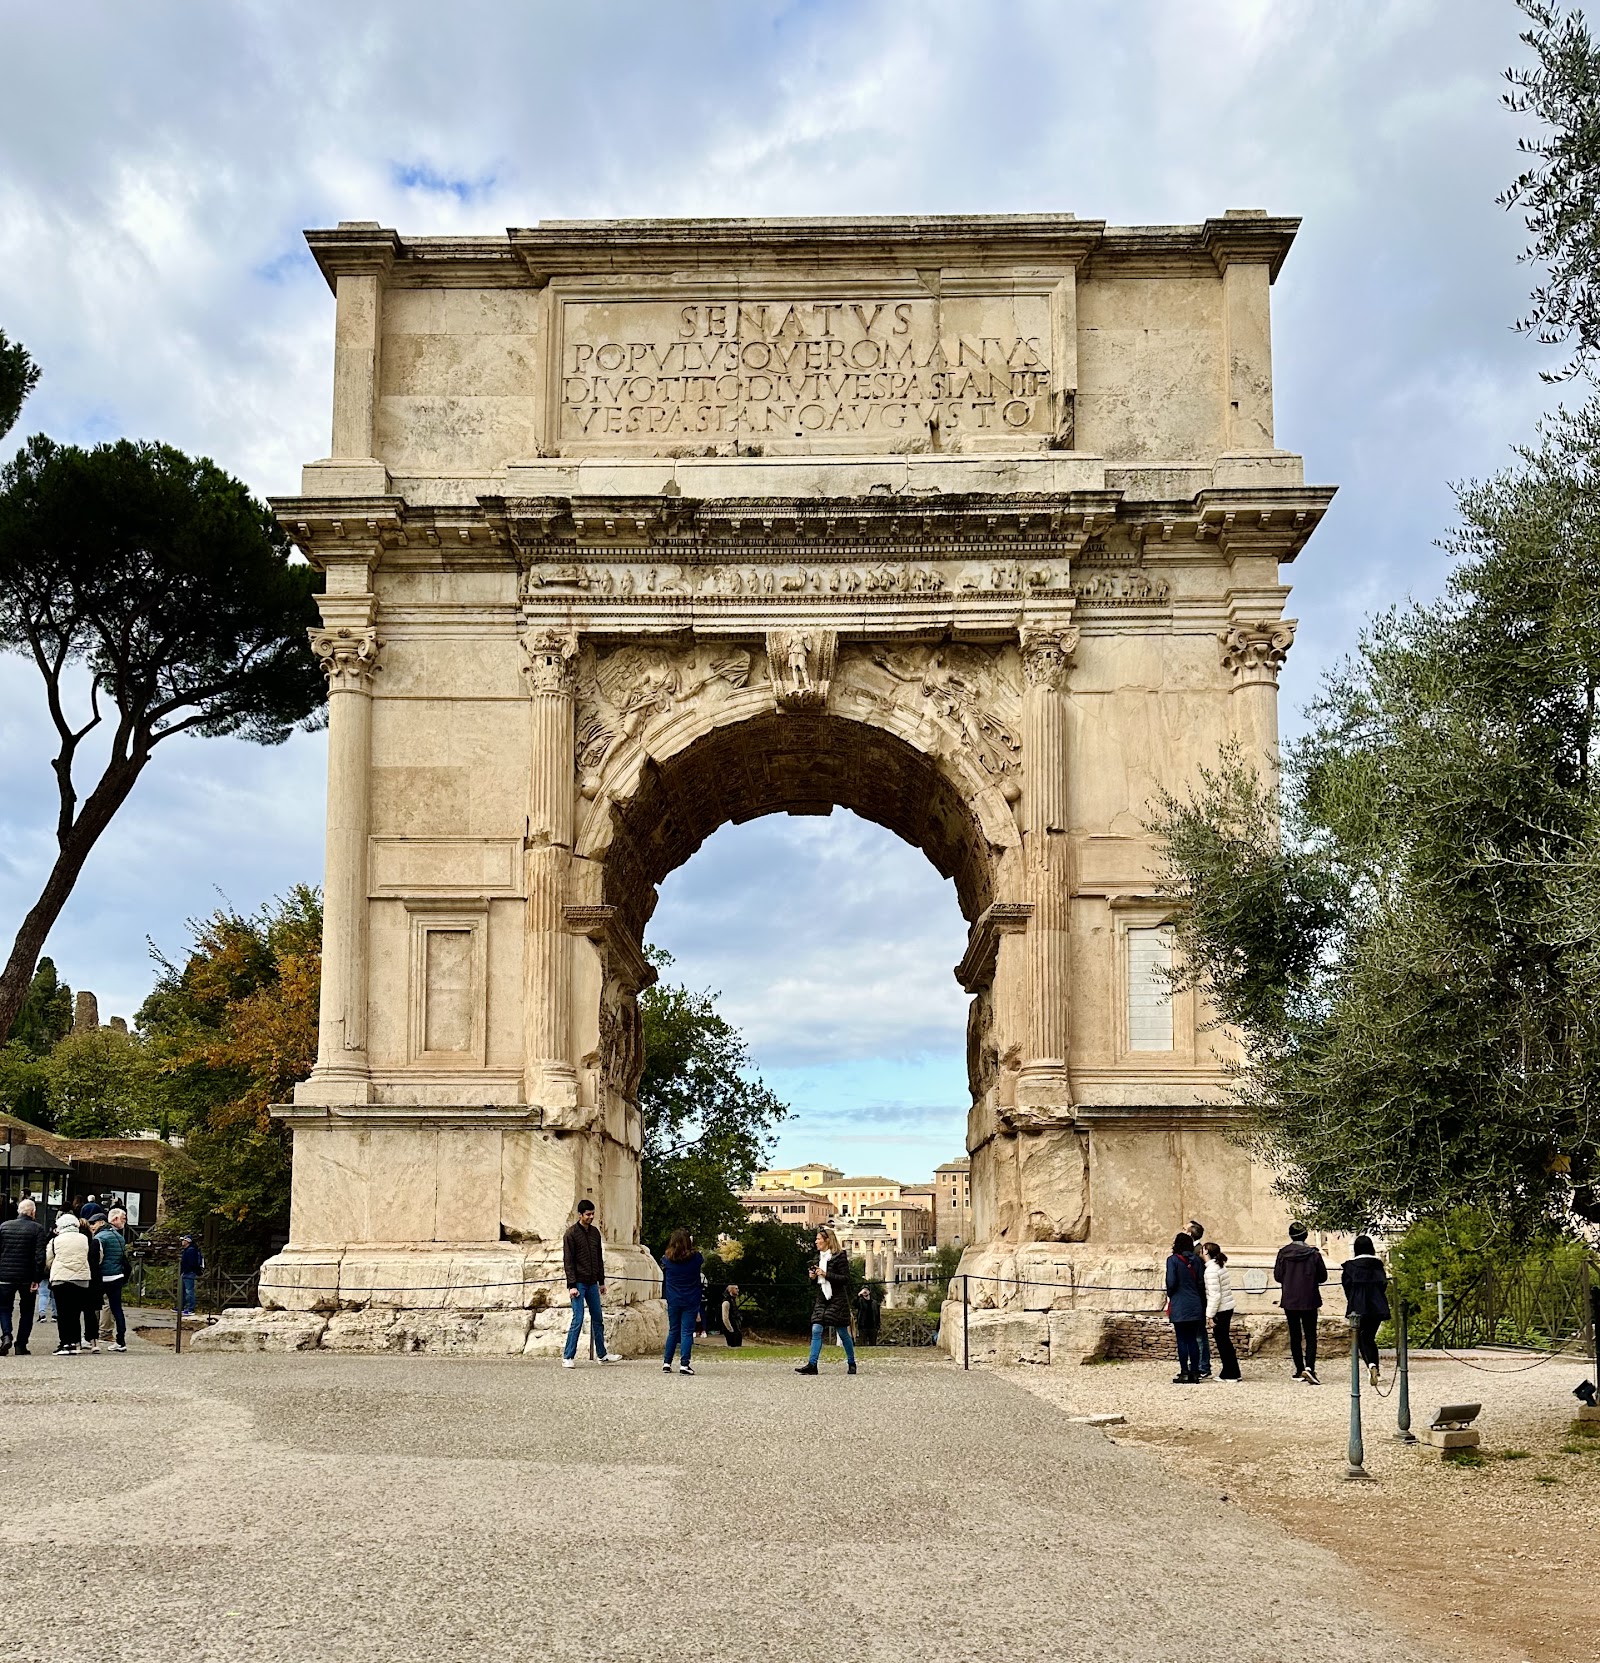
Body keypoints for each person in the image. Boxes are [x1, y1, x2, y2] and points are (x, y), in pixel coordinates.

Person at [561, 1200, 620, 1368]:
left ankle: (602, 1355)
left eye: (592, 1213)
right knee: (577, 1319)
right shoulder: (570, 1234)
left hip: (593, 1282)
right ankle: (568, 1356)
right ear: (580, 1215)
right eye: (588, 1214)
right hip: (578, 1283)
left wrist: (601, 1281)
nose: (591, 1217)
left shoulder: (595, 1233)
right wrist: (571, 1285)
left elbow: (598, 1258)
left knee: (598, 1319)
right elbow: (568, 1262)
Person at [795, 1228, 856, 1376]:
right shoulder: (818, 1258)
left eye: (818, 1239)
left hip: (837, 1298)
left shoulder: (840, 1256)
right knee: (816, 1329)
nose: (816, 1242)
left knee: (842, 1332)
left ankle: (851, 1362)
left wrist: (826, 1274)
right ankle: (812, 1364)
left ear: (827, 1240)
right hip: (822, 1297)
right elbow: (817, 1282)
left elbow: (845, 1279)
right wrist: (813, 1277)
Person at [1273, 1221, 1328, 1385]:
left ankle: (1298, 1369)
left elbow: (1277, 1276)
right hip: (1309, 1297)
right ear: (1306, 1235)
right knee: (1311, 1335)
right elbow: (1323, 1276)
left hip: (1290, 1299)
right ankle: (1310, 1367)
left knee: (1295, 1335)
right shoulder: (1313, 1254)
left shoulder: (1283, 1254)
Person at [0, 1198, 48, 1357]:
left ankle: (6, 1334)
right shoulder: (37, 1229)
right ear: (33, 1212)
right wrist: (37, 1278)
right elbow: (40, 1256)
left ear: (18, 1211)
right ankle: (21, 1344)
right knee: (26, 1311)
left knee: (4, 1307)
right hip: (27, 1277)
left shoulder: (4, 1227)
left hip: (5, 1275)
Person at [1341, 1234, 1391, 1386]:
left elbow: (1346, 1286)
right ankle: (1375, 1367)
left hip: (1358, 1305)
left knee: (1362, 1338)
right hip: (1376, 1305)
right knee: (1369, 1337)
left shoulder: (1350, 1267)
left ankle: (1371, 1365)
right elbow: (1383, 1284)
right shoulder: (1377, 1265)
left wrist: (1352, 1299)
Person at [45, 1212, 98, 1356]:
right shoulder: (84, 1239)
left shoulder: (56, 1241)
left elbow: (49, 1259)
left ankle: (65, 1343)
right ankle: (75, 1342)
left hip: (61, 1278)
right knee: (75, 1313)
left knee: (63, 1313)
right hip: (81, 1279)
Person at [660, 1228, 703, 1375]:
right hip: (691, 1298)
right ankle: (684, 1364)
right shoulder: (696, 1258)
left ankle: (667, 1362)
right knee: (686, 1332)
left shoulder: (667, 1259)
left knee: (673, 1331)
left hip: (674, 1298)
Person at [1165, 1231, 1207, 1383]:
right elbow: (1201, 1283)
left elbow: (1171, 1282)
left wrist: (1171, 1294)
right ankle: (1195, 1372)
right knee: (1193, 1340)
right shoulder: (1196, 1260)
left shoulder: (1173, 1260)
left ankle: (1184, 1371)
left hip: (1180, 1302)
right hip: (1195, 1302)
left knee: (1182, 1340)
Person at [1203, 1240, 1241, 1381]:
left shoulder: (1211, 1270)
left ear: (1206, 1251)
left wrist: (1210, 1315)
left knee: (1223, 1342)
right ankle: (1232, 1371)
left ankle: (1230, 1373)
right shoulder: (1219, 1266)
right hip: (1226, 1307)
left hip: (1221, 1309)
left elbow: (1215, 1294)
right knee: (1224, 1341)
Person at [95, 1211, 129, 1352]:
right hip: (117, 1276)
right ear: (115, 1219)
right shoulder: (120, 1238)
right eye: (123, 1219)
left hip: (102, 1276)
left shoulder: (100, 1237)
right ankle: (120, 1340)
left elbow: (98, 1257)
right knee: (117, 1309)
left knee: (93, 1307)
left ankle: (90, 1338)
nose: (125, 1221)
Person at [1186, 1220, 1211, 1377]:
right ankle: (1198, 1364)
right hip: (1195, 1297)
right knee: (1196, 1334)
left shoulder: (1197, 1252)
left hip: (1197, 1297)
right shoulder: (1195, 1250)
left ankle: (1203, 1366)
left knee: (1199, 1334)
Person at [179, 1234, 203, 1316]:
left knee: (189, 1291)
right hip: (186, 1272)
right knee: (184, 1291)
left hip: (189, 1273)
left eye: (183, 1240)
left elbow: (191, 1263)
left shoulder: (191, 1250)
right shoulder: (187, 1250)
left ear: (187, 1241)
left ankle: (190, 1308)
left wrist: (186, 1270)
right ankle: (182, 1307)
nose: (182, 1242)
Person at [720, 1282, 744, 1348]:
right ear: (731, 1290)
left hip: (735, 1326)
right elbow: (725, 1317)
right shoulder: (726, 1302)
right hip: (730, 1327)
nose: (738, 1290)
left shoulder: (733, 1300)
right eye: (736, 1288)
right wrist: (730, 1329)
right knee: (733, 1345)